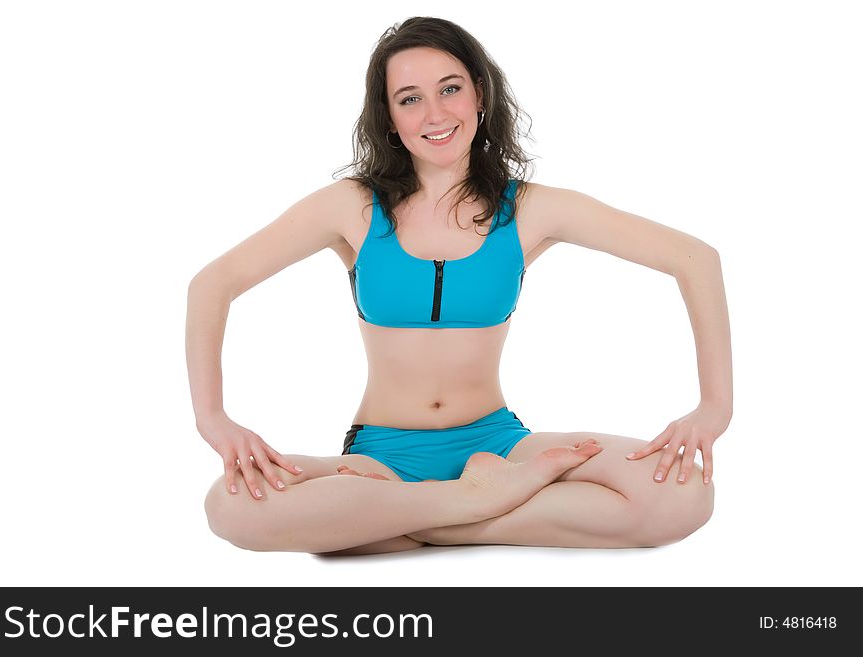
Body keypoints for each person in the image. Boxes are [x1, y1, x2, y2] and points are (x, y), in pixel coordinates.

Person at [186, 17, 732, 555]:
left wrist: (714, 407)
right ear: (390, 119)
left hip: (500, 446)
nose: (435, 113)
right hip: (382, 455)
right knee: (229, 508)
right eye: (409, 98)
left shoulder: (529, 210)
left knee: (683, 496)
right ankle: (468, 504)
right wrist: (213, 419)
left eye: (450, 89)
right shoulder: (351, 206)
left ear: (479, 96)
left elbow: (694, 259)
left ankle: (415, 520)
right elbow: (214, 282)